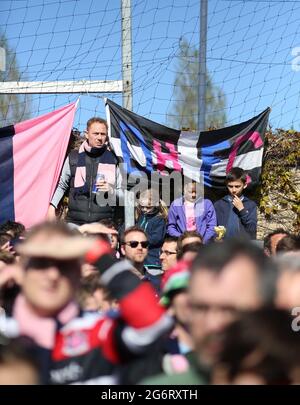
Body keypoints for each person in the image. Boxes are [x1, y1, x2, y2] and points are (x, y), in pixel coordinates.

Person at [6, 221, 172, 384]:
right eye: (41, 264)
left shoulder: (98, 329)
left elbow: (152, 323)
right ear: (22, 271)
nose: (52, 275)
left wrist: (97, 252)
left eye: (64, 266)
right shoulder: (6, 332)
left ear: (76, 273)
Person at [47, 117, 122, 225]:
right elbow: (62, 185)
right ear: (87, 134)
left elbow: (123, 194)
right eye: (96, 133)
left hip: (104, 224)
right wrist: (52, 207)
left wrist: (112, 191)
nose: (99, 137)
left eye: (102, 134)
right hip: (74, 224)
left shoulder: (114, 159)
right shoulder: (73, 157)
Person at [214, 167, 257, 240]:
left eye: (237, 186)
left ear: (245, 185)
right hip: (224, 246)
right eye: (230, 186)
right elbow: (214, 227)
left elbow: (252, 229)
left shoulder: (251, 205)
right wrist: (216, 238)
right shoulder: (219, 204)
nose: (234, 190)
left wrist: (242, 210)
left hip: (242, 247)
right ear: (226, 185)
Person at [136, 188, 167, 275]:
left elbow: (156, 238)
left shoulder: (159, 219)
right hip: (140, 260)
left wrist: (140, 241)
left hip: (152, 261)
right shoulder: (141, 217)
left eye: (148, 207)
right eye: (142, 207)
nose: (145, 209)